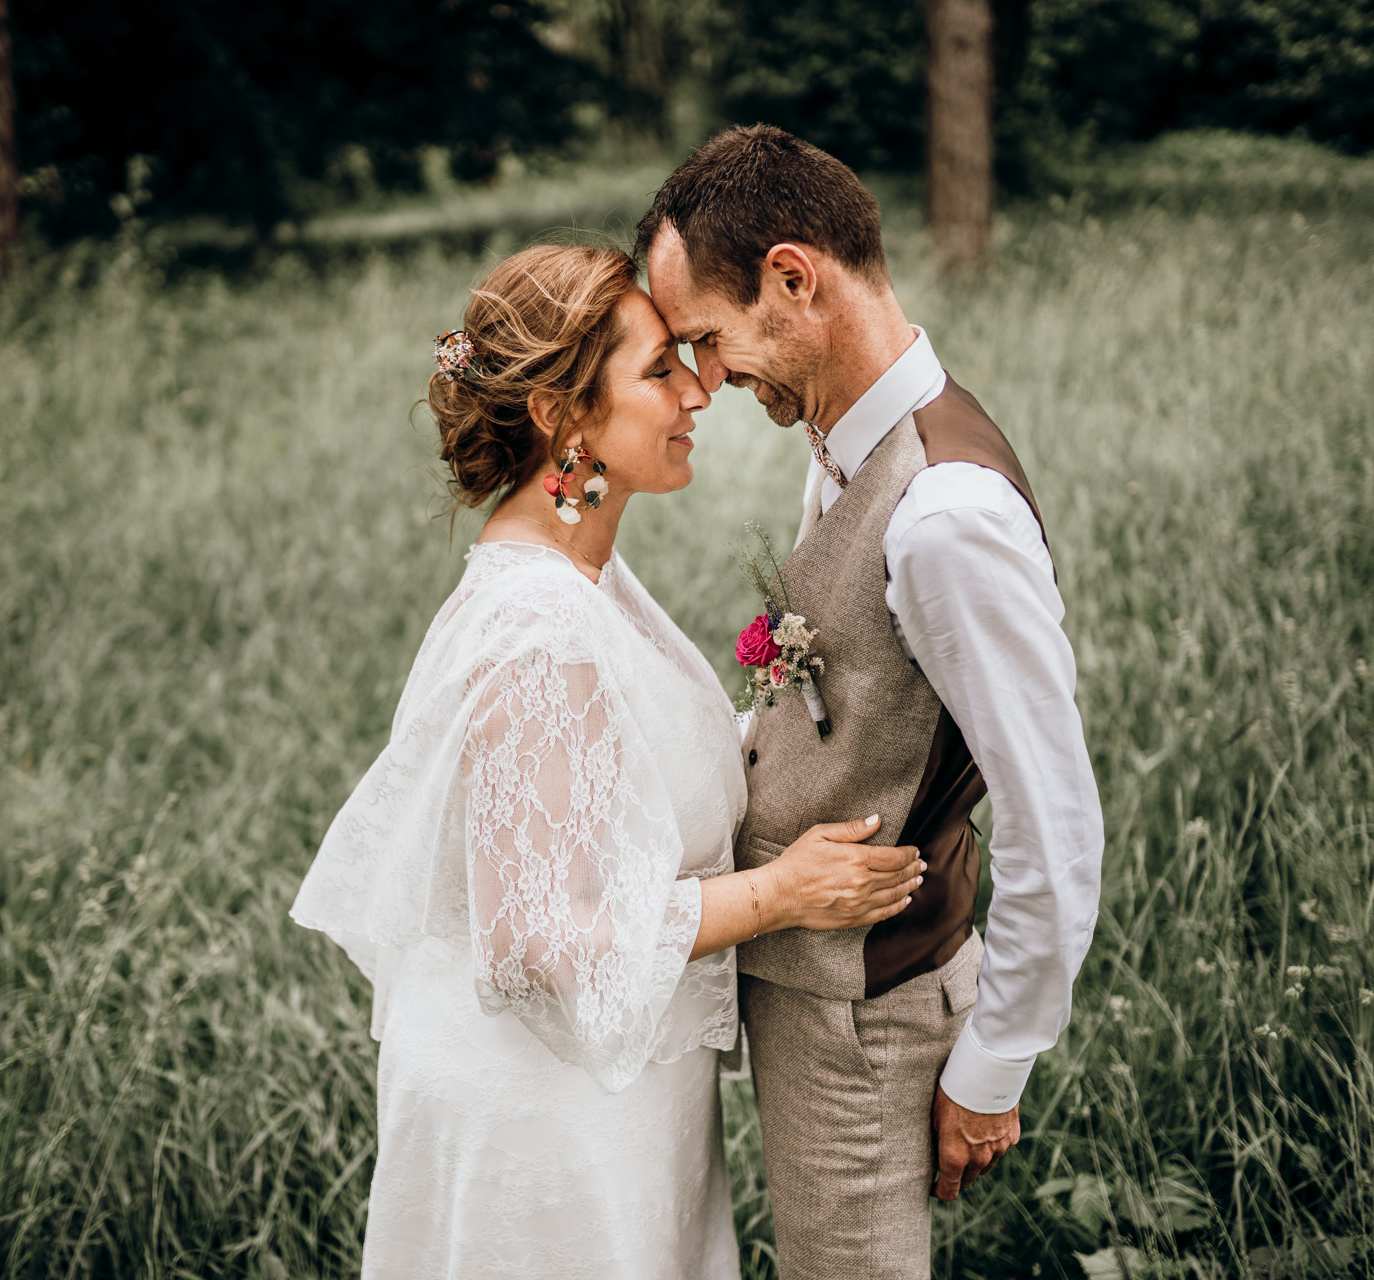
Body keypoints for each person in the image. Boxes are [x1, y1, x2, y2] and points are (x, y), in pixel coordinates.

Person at [290, 243, 928, 1279]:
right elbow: (546, 936)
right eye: (658, 371)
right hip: (543, 1125)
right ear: (561, 413)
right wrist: (778, 893)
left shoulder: (589, 575)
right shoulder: (534, 632)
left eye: (689, 360)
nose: (699, 391)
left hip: (619, 1094)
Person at [635, 125, 1105, 1280]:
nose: (703, 380)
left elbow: (1058, 822)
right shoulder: (850, 438)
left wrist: (993, 1069)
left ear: (795, 279)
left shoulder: (946, 519)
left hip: (868, 1019)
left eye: (708, 339)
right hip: (816, 997)